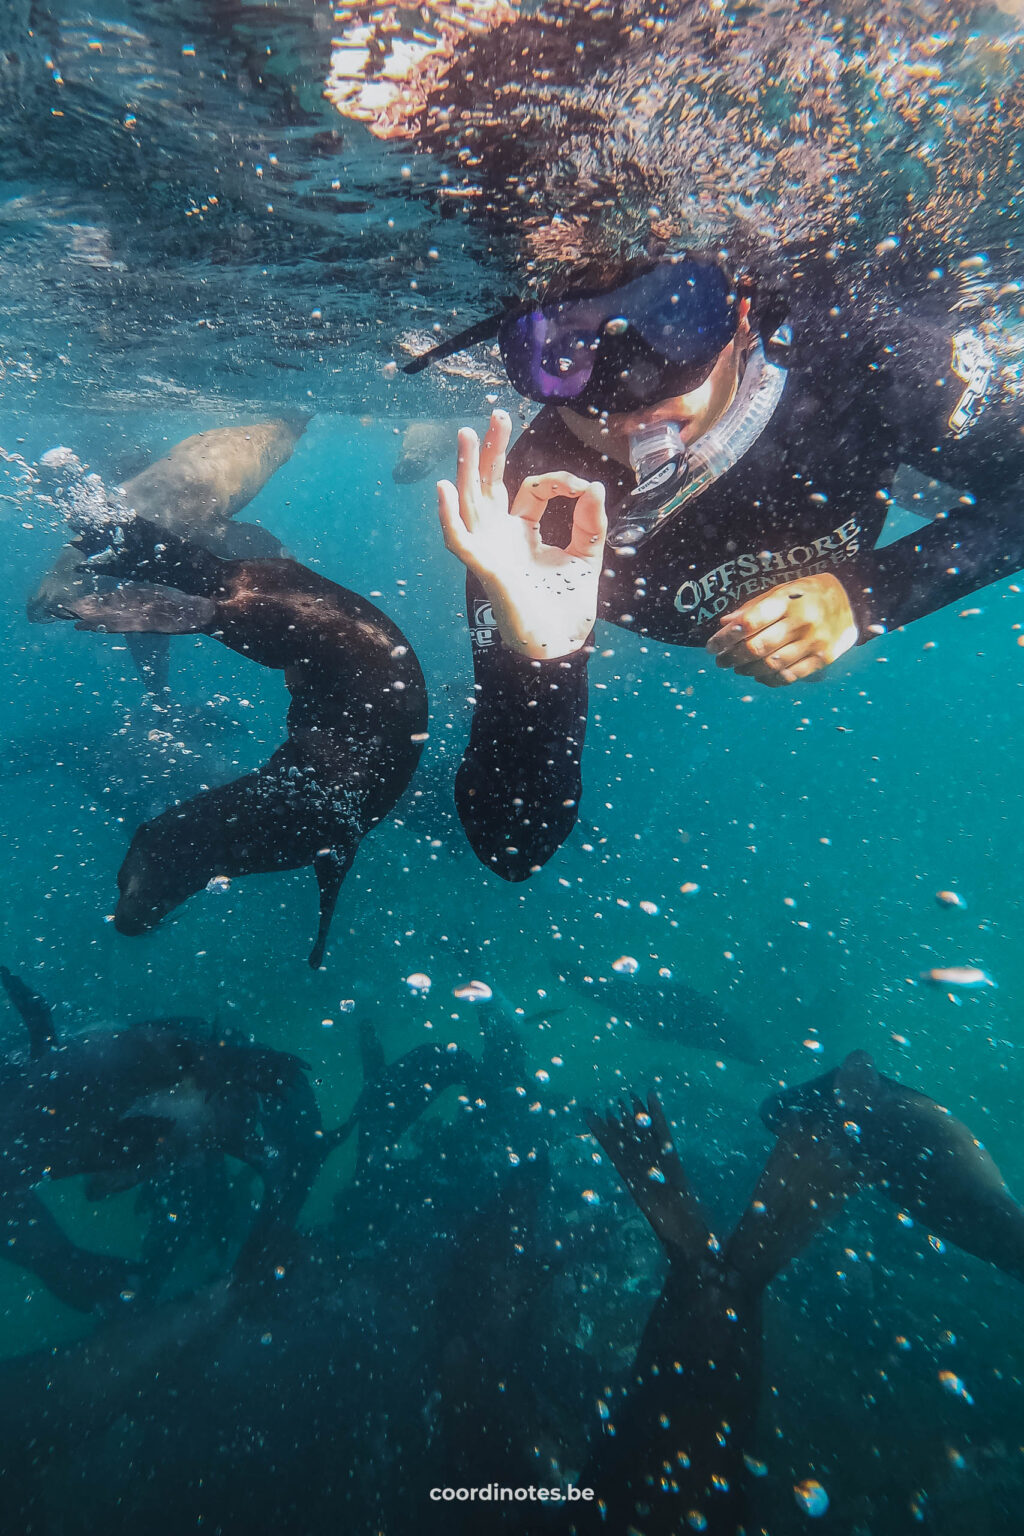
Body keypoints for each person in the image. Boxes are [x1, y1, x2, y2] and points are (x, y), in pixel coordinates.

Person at [421, 254, 1024, 879]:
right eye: (568, 350)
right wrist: (542, 658)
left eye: (674, 317)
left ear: (738, 315)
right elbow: (513, 845)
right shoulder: (536, 505)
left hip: (882, 446)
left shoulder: (861, 358)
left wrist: (865, 597)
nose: (630, 397)